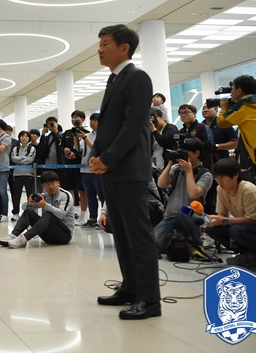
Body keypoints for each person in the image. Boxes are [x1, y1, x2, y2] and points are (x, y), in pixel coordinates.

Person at [89, 24, 161, 320]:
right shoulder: (114, 79)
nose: (100, 49)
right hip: (112, 168)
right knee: (120, 232)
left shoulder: (138, 77)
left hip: (129, 169)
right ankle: (130, 289)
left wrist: (109, 158)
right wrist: (96, 156)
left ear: (124, 48)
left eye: (106, 43)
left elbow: (133, 126)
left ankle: (150, 301)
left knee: (138, 235)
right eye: (100, 44)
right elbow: (108, 127)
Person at [217, 75, 256, 211]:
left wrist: (224, 108)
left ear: (240, 91)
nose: (231, 93)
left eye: (233, 89)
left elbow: (222, 122)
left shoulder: (245, 108)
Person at [205, 158, 256, 274]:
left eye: (223, 177)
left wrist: (224, 220)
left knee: (236, 230)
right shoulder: (221, 189)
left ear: (235, 175)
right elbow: (222, 214)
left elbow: (252, 219)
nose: (219, 181)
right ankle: (249, 254)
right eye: (217, 177)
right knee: (212, 229)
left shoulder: (248, 190)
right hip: (247, 225)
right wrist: (215, 220)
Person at [154, 138, 212, 252]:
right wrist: (171, 162)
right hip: (171, 217)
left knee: (186, 211)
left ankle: (194, 242)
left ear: (197, 153)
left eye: (185, 153)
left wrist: (189, 171)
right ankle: (178, 242)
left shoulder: (205, 174)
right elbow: (161, 184)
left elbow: (193, 193)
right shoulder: (176, 169)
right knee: (155, 244)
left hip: (191, 218)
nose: (182, 155)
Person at [0, 170, 75, 248]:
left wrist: (45, 205)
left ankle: (24, 239)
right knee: (29, 212)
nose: (51, 187)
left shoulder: (65, 195)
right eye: (48, 184)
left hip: (64, 235)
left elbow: (61, 214)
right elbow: (23, 207)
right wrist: (29, 204)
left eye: (53, 183)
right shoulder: (44, 196)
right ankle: (13, 235)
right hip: (47, 236)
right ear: (43, 186)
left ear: (58, 183)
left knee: (49, 214)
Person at [77, 113, 103, 227]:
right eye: (91, 120)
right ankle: (92, 218)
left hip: (97, 171)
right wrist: (75, 136)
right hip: (85, 171)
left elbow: (96, 148)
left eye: (95, 121)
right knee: (90, 195)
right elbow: (79, 149)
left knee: (102, 196)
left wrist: (84, 138)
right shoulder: (88, 135)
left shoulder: (103, 135)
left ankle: (104, 218)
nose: (92, 122)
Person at [177, 103, 214, 172]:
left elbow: (209, 145)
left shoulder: (202, 127)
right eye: (181, 113)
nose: (183, 115)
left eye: (186, 112)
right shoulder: (180, 131)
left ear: (194, 113)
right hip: (186, 166)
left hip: (203, 166)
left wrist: (192, 145)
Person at [10, 130, 35, 221]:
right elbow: (13, 158)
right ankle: (15, 213)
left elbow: (30, 160)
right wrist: (23, 159)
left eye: (26, 136)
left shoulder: (32, 148)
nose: (24, 138)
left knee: (30, 194)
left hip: (28, 174)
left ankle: (31, 211)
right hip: (17, 174)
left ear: (29, 138)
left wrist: (19, 160)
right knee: (16, 195)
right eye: (22, 136)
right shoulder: (15, 149)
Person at [150, 107, 178, 173]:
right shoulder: (150, 131)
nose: (153, 123)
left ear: (162, 117)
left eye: (154, 119)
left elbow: (163, 142)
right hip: (155, 166)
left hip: (169, 166)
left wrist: (154, 130)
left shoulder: (171, 128)